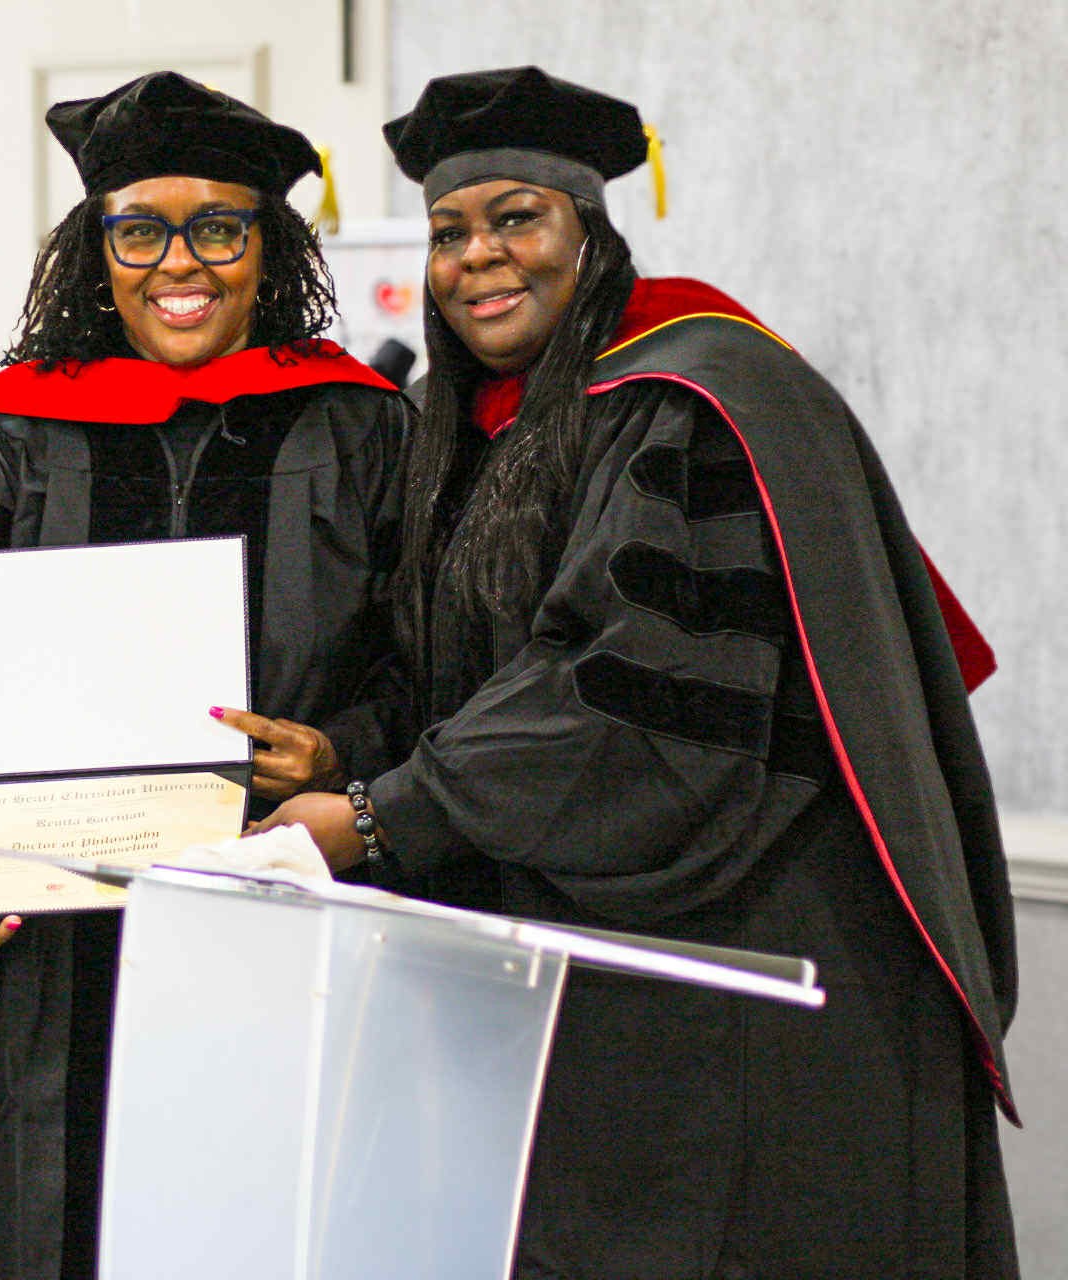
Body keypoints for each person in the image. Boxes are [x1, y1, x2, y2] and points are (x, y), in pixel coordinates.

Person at [256, 66, 1020, 1277]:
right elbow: (470, 670)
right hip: (602, 958)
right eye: (450, 231)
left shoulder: (697, 395)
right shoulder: (472, 419)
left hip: (754, 962)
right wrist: (349, 754)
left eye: (518, 219)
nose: (478, 259)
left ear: (590, 231)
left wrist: (373, 816)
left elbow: (621, 696)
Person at [0, 71, 411, 1279]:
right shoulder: (8, 431)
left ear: (269, 249)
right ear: (95, 252)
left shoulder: (362, 428)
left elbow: (432, 665)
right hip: (50, 943)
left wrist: (342, 748)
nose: (178, 261)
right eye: (139, 228)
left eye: (220, 225)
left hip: (286, 909)